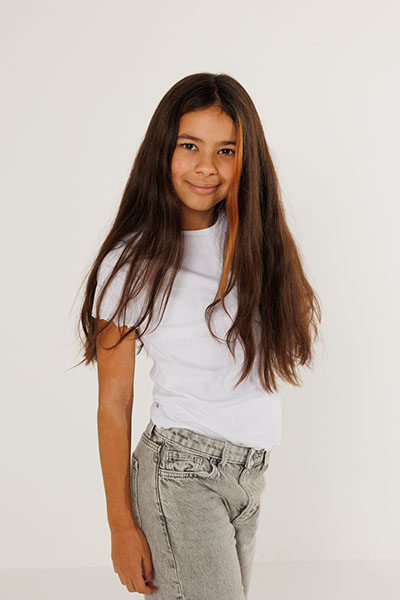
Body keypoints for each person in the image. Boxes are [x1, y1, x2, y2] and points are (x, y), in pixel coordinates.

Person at [77, 72, 321, 599]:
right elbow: (113, 403)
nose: (207, 167)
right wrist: (120, 525)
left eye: (225, 151)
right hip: (181, 473)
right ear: (163, 150)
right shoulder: (132, 263)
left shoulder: (255, 244)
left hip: (249, 476)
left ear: (246, 160)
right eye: (190, 146)